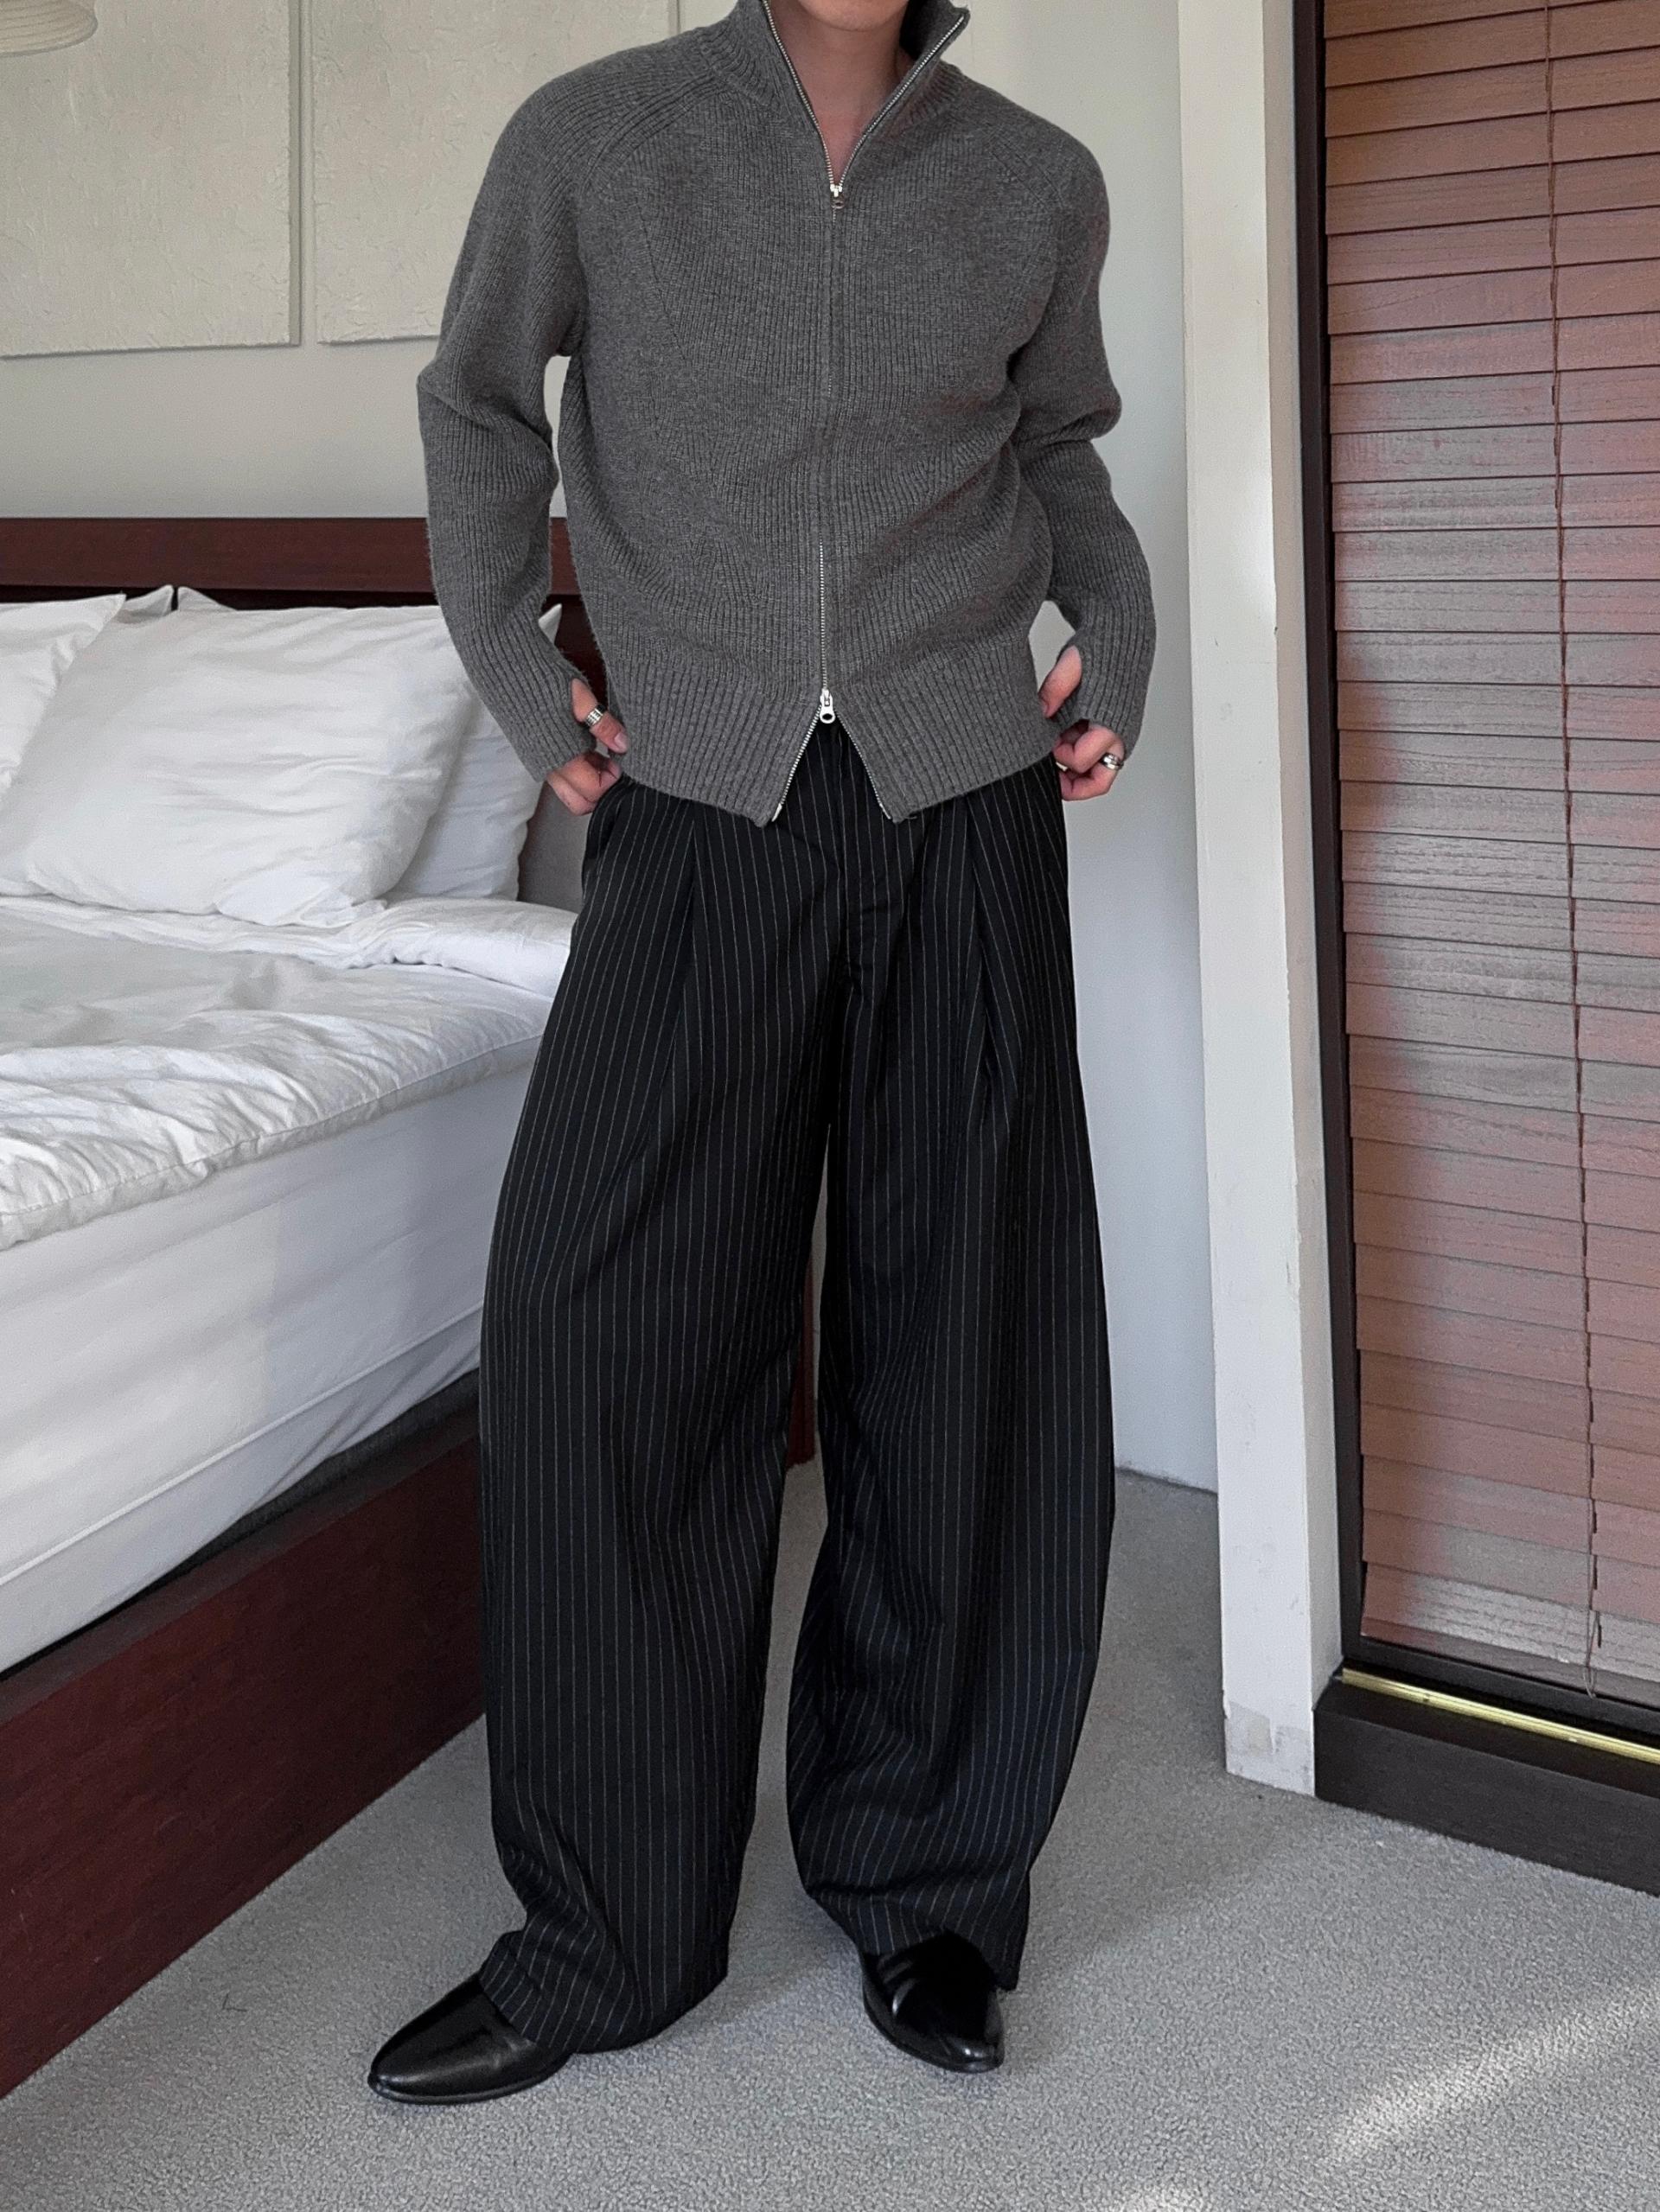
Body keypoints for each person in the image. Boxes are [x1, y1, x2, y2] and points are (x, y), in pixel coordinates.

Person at [368, 0, 1154, 2104]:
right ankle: (606, 1929)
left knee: (964, 1343)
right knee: (601, 1325)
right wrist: (527, 683)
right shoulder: (599, 138)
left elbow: (1062, 448)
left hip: (961, 797)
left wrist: (1117, 633)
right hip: (696, 799)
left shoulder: (1034, 179)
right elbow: (474, 409)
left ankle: (927, 1877)